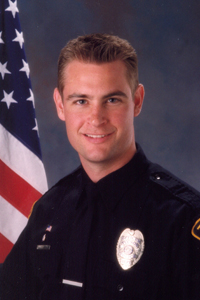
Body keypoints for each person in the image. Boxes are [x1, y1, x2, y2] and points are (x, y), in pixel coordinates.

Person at [1, 33, 200, 300]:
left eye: (112, 100)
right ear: (60, 105)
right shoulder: (48, 211)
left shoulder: (182, 219)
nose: (96, 119)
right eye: (81, 101)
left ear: (137, 101)